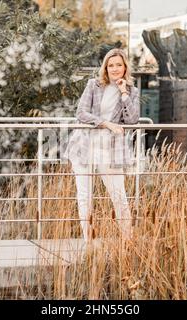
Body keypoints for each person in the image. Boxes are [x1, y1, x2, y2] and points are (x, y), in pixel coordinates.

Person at [64, 48, 140, 241]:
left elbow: (132, 120)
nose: (114, 69)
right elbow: (81, 113)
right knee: (84, 196)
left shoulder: (132, 91)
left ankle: (127, 240)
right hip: (84, 146)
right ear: (105, 67)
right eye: (111, 65)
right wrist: (106, 123)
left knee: (119, 195)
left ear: (125, 67)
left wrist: (123, 93)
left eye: (119, 65)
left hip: (111, 150)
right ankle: (87, 240)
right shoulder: (93, 85)